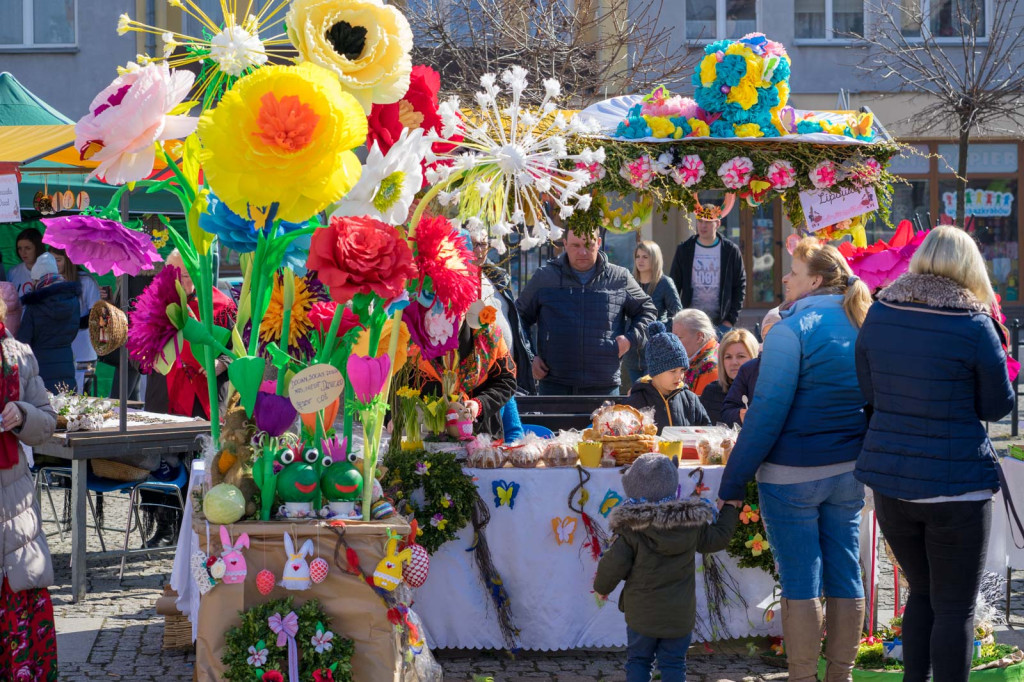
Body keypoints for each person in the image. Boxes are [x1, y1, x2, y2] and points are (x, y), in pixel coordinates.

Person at [855, 226, 1014, 682]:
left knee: (921, 594)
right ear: (969, 267)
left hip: (892, 483)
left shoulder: (881, 311)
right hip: (956, 487)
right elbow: (997, 405)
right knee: (954, 607)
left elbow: (868, 390)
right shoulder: (973, 323)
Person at [718, 237, 873, 682]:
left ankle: (804, 677)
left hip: (791, 477)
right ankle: (839, 675)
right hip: (847, 471)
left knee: (802, 581)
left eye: (793, 271)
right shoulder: (859, 319)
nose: (784, 277)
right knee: (845, 571)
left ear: (816, 280)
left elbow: (764, 416)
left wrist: (732, 484)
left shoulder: (790, 331)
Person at [594, 453, 739, 682]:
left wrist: (602, 588)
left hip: (642, 614)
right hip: (679, 615)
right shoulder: (690, 523)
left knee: (639, 661)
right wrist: (730, 509)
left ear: (632, 486)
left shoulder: (631, 528)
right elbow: (718, 538)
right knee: (673, 664)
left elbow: (613, 564)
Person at [516, 227, 656, 395]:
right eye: (575, 245)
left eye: (588, 245)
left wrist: (630, 339)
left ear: (598, 243)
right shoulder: (545, 277)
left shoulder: (619, 278)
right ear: (565, 244)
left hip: (604, 385)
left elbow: (647, 311)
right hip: (555, 385)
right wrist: (530, 357)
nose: (582, 252)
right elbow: (518, 317)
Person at [0, 295, 59, 680]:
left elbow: (49, 420)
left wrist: (22, 414)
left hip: (12, 500)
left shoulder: (17, 354)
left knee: (19, 590)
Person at [143, 251, 236, 419]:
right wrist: (148, 359)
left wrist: (222, 364)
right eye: (172, 274)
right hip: (162, 400)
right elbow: (134, 350)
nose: (177, 280)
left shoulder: (222, 305)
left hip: (207, 401)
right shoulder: (153, 302)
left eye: (184, 275)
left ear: (196, 275)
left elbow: (240, 346)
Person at [414, 313, 517, 439]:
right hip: (427, 437)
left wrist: (480, 404)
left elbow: (507, 381)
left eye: (458, 310)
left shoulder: (488, 334)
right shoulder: (414, 336)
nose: (451, 316)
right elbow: (395, 385)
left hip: (482, 439)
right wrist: (392, 417)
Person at [668, 203, 745, 335]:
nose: (703, 225)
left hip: (721, 323)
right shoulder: (684, 249)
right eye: (700, 221)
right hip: (690, 321)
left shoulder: (731, 251)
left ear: (718, 223)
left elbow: (739, 286)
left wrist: (730, 320)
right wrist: (676, 317)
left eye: (708, 222)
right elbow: (673, 285)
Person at [473, 234, 535, 394]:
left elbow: (516, 325)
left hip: (507, 378)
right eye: (473, 244)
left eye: (483, 244)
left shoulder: (498, 277)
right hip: (479, 382)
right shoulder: (454, 280)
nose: (479, 250)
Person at [626, 321, 710, 434]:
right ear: (655, 371)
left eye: (682, 370)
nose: (679, 376)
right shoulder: (637, 400)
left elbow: (706, 429)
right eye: (673, 371)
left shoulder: (690, 399)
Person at [16, 253, 81, 393]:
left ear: (38, 279)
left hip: (41, 367)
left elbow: (23, 341)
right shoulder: (73, 300)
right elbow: (74, 331)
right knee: (66, 410)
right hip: (66, 362)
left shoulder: (35, 305)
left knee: (45, 410)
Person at [623, 241, 682, 384]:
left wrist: (659, 331)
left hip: (654, 352)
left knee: (651, 396)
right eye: (637, 256)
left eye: (645, 257)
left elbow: (678, 315)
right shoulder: (629, 283)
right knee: (636, 397)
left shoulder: (665, 283)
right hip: (631, 353)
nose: (640, 260)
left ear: (654, 259)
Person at [51, 249, 102, 394]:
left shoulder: (86, 281)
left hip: (83, 350)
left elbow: (95, 316)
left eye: (58, 260)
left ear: (68, 260)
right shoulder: (51, 282)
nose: (54, 265)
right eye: (51, 260)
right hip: (61, 349)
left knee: (80, 396)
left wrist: (69, 324)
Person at [721, 308, 780, 426]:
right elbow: (728, 410)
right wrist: (740, 415)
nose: (770, 340)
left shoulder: (803, 366)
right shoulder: (750, 369)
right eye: (765, 336)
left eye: (776, 334)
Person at [700, 328, 758, 425]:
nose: (734, 362)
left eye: (741, 356)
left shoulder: (763, 392)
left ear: (754, 358)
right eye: (728, 357)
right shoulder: (711, 391)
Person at [672, 309, 719, 396]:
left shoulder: (710, 366)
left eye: (678, 338)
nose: (673, 343)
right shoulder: (696, 356)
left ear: (699, 337)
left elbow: (701, 406)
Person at [8, 228, 45, 297]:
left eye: (27, 248)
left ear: (38, 248)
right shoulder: (13, 272)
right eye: (20, 248)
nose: (23, 252)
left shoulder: (50, 271)